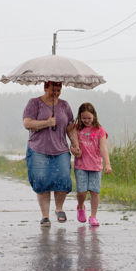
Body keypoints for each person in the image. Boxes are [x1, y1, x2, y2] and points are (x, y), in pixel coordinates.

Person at [22, 81, 81, 227]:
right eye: (53, 90)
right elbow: (27, 123)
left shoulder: (64, 105)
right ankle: (45, 216)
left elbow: (70, 127)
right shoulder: (34, 103)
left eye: (59, 90)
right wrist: (47, 123)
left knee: (63, 179)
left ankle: (59, 208)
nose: (56, 93)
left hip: (60, 149)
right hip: (38, 149)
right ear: (45, 87)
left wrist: (75, 144)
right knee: (42, 182)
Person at [73, 102, 112, 227]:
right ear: (80, 116)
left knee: (95, 192)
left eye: (89, 118)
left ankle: (93, 216)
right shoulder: (77, 128)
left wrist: (108, 164)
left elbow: (103, 147)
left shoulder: (100, 130)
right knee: (82, 192)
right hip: (81, 165)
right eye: (83, 118)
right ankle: (80, 207)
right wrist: (74, 149)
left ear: (94, 116)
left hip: (95, 166)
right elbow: (72, 143)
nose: (86, 121)